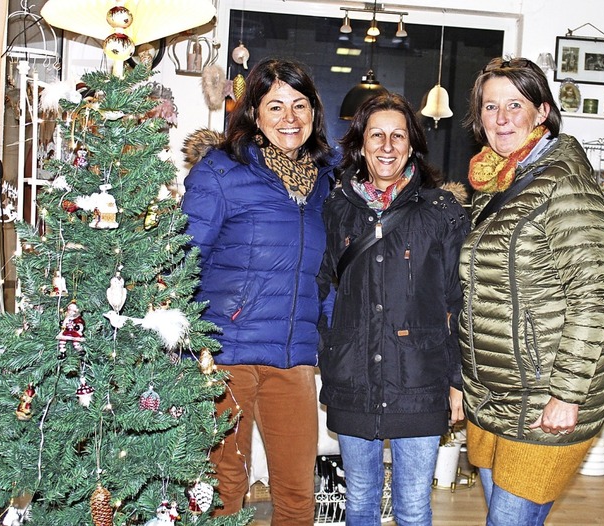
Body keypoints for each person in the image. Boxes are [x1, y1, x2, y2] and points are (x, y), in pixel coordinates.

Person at [181, 58, 338, 524]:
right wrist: (189, 347)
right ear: (254, 113)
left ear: (314, 112)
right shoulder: (222, 172)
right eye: (275, 106)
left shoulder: (326, 183)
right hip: (226, 356)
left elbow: (324, 271)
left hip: (292, 359)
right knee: (224, 489)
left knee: (296, 492)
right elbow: (184, 257)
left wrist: (324, 332)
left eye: (299, 105)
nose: (289, 118)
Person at [459, 57, 604, 526]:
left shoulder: (563, 181)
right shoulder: (494, 182)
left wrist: (566, 395)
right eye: (490, 106)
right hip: (493, 395)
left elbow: (591, 296)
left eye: (515, 105)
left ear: (541, 112)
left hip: (546, 398)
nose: (501, 118)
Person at [317, 92, 469, 526]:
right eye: (376, 135)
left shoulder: (442, 212)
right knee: (361, 502)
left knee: (413, 506)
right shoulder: (337, 209)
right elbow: (320, 285)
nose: (387, 145)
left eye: (397, 136)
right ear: (360, 145)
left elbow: (460, 301)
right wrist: (328, 348)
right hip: (353, 377)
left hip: (420, 380)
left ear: (412, 145)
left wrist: (457, 381)